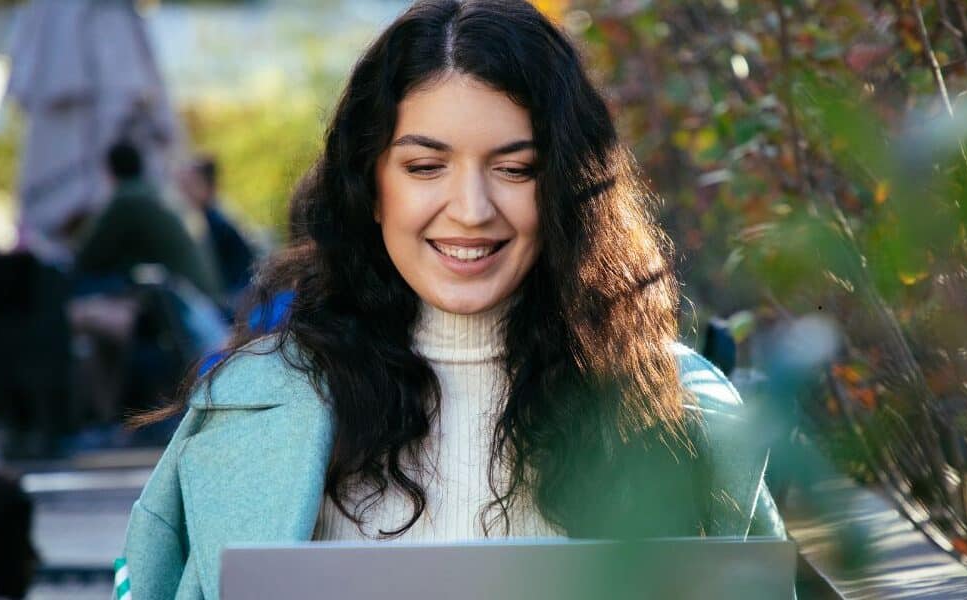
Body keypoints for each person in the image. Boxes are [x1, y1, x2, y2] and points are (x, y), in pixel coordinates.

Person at [118, 1, 786, 598]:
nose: (470, 210)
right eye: (425, 166)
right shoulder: (245, 410)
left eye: (515, 168)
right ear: (371, 184)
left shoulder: (679, 410)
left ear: (567, 187)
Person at [74, 141, 222, 301]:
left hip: (191, 300)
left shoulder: (127, 199)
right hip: (205, 294)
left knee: (84, 288)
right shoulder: (156, 192)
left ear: (109, 172)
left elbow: (87, 258)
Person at [177, 155, 256, 303]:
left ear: (208, 186)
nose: (185, 190)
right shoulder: (208, 218)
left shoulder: (218, 222)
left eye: (192, 183)